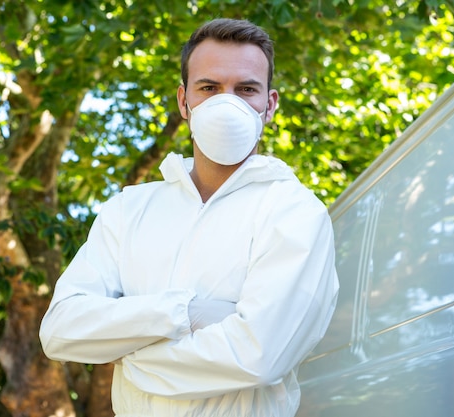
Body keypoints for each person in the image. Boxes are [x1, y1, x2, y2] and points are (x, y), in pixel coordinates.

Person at [39, 18, 339, 417]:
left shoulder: (296, 212)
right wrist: (185, 313)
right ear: (184, 102)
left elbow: (260, 356)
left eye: (246, 89)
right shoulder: (129, 209)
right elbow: (61, 330)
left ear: (269, 105)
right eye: (209, 88)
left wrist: (129, 351)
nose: (226, 103)